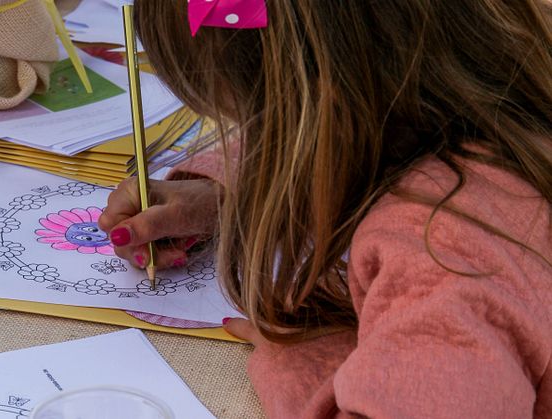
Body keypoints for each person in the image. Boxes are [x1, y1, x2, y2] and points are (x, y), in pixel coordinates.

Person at [98, 1, 552, 417]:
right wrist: (232, 189)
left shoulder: (440, 245)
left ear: (321, 106)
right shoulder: (501, 82)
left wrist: (314, 364)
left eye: (250, 121)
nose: (247, 139)